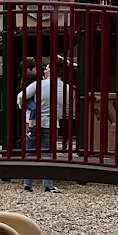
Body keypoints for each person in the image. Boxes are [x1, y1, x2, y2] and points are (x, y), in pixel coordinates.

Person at [20, 63, 71, 193]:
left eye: (47, 68)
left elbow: (21, 96)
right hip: (52, 123)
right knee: (48, 153)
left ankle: (27, 184)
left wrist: (25, 107)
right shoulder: (67, 88)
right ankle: (48, 185)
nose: (45, 70)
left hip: (34, 122)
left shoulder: (40, 84)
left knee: (30, 152)